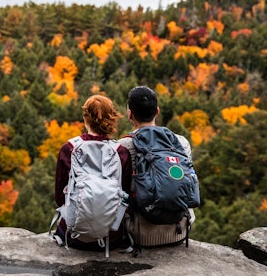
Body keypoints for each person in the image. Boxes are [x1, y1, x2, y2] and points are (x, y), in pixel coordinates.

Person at [119, 85, 196, 248]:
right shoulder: (181, 143)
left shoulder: (123, 146)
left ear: (129, 114)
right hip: (179, 232)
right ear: (157, 111)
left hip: (139, 234)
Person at [53, 94, 131, 251]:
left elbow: (60, 197)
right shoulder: (121, 152)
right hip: (111, 237)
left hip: (73, 236)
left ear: (85, 118)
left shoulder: (69, 149)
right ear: (112, 119)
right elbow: (125, 195)